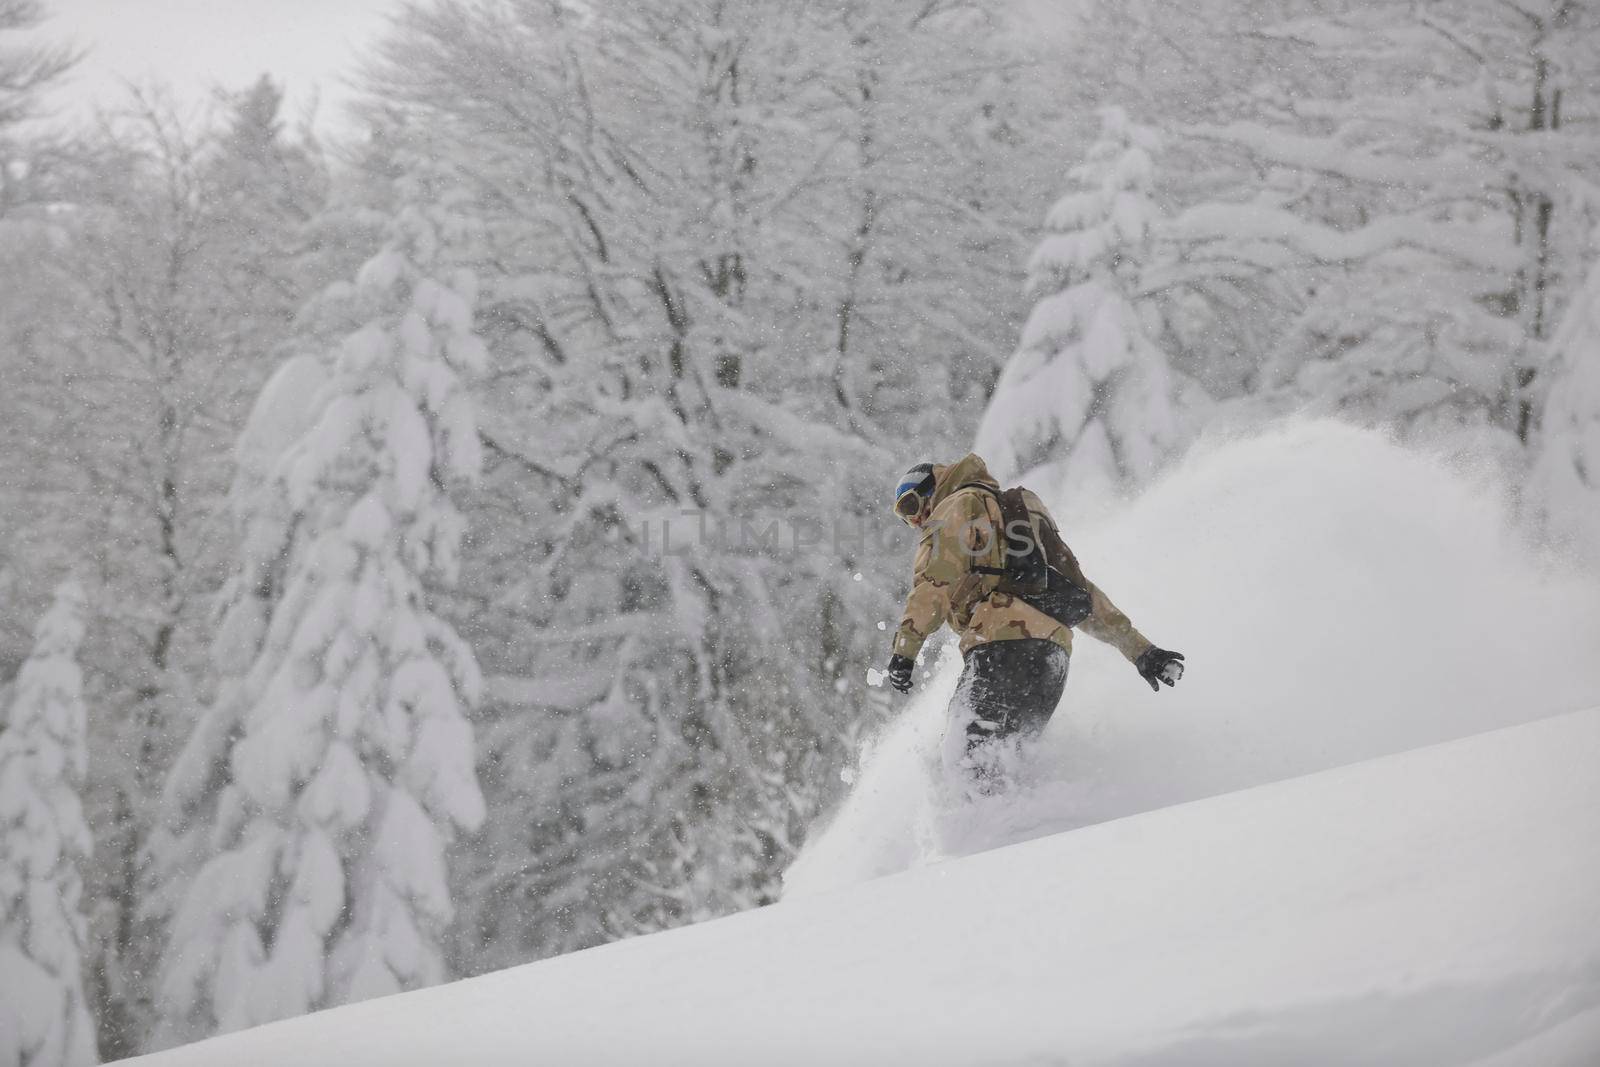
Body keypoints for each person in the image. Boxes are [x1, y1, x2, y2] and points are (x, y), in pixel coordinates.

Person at [883, 453, 1184, 783]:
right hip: (1050, 661)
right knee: (1005, 766)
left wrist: (905, 650)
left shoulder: (954, 507)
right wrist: (1140, 650)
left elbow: (934, 582)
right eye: (906, 519)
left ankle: (984, 827)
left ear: (932, 487)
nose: (916, 521)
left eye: (911, 507)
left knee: (965, 763)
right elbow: (1076, 589)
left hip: (999, 649)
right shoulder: (1017, 511)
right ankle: (1035, 822)